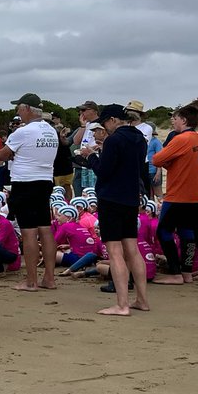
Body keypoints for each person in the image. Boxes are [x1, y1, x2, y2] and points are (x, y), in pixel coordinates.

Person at [81, 103, 150, 314]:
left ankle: (122, 304)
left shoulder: (114, 140)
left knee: (115, 251)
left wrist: (90, 156)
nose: (104, 128)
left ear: (113, 120)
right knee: (132, 249)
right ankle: (142, 300)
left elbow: (104, 171)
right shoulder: (139, 138)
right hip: (131, 197)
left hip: (111, 198)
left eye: (104, 123)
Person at [0, 93, 60, 291]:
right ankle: (49, 278)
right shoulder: (50, 130)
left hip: (25, 182)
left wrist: (12, 154)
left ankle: (31, 280)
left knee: (29, 231)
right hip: (45, 180)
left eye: (19, 109)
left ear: (27, 109)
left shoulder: (23, 132)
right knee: (45, 229)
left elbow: (2, 155)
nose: (18, 112)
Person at [150, 104, 198, 285]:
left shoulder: (181, 139)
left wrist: (169, 163)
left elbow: (156, 159)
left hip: (177, 194)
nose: (173, 121)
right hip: (194, 195)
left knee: (164, 231)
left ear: (184, 120)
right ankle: (186, 272)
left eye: (176, 118)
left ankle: (175, 272)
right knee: (187, 231)